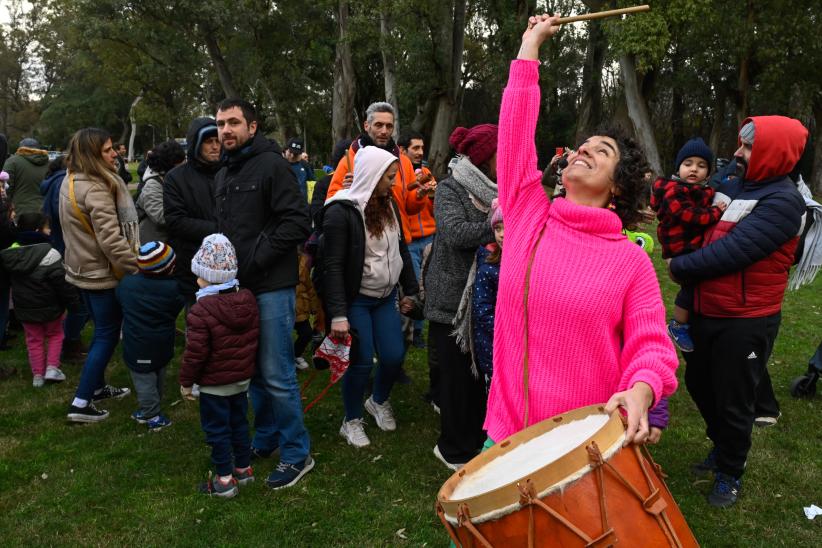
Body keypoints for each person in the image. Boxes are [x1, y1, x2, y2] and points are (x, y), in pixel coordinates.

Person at [483, 15, 679, 469]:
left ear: (619, 188)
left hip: (584, 448)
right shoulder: (528, 213)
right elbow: (514, 136)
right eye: (583, 144)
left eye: (601, 150)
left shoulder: (630, 262)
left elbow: (651, 345)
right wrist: (530, 47)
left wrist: (642, 388)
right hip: (506, 440)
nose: (583, 149)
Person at [669, 115, 808, 507]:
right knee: (699, 384)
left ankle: (730, 471)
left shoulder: (783, 202)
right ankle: (721, 445)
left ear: (772, 153)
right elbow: (692, 195)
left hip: (745, 320)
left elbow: (730, 253)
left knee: (734, 398)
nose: (736, 152)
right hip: (705, 309)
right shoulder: (732, 180)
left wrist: (678, 265)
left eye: (747, 147)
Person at [213, 99, 313, 489]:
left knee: (277, 372)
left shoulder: (273, 166)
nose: (226, 130)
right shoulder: (224, 172)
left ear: (252, 127)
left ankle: (296, 452)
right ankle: (267, 436)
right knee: (252, 370)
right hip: (235, 288)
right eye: (221, 123)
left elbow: (297, 222)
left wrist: (255, 259)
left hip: (271, 285)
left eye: (234, 122)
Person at [318, 146, 420, 447]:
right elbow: (333, 267)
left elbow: (399, 249)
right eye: (389, 177)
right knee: (360, 363)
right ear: (373, 177)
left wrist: (410, 290)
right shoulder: (341, 211)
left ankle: (377, 400)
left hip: (385, 298)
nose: (394, 183)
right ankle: (350, 420)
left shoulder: (389, 206)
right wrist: (338, 314)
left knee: (393, 355)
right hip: (357, 300)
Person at [424, 123, 499, 470]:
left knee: (478, 377)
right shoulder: (450, 189)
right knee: (456, 379)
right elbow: (455, 233)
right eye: (501, 152)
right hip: (452, 301)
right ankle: (453, 448)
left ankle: (476, 440)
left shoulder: (502, 191)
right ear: (486, 158)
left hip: (487, 299)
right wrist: (499, 225)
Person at [60, 127, 139, 423]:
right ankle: (80, 402)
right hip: (100, 274)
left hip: (81, 269)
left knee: (100, 332)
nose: (115, 154)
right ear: (93, 155)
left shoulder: (70, 181)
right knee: (107, 334)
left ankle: (97, 387)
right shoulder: (95, 188)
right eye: (107, 150)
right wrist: (136, 265)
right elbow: (111, 239)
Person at [179, 234, 260, 498]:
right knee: (239, 422)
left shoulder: (201, 311)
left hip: (214, 385)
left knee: (217, 429)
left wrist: (186, 382)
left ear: (207, 277)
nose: (197, 279)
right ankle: (244, 468)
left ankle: (224, 479)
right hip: (241, 379)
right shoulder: (247, 299)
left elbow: (195, 353)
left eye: (199, 275)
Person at [650, 138, 726, 352]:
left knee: (696, 284)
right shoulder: (675, 191)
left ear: (708, 173)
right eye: (688, 164)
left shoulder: (699, 190)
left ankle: (688, 321)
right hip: (679, 246)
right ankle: (678, 324)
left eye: (701, 166)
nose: (694, 169)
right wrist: (716, 212)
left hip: (689, 245)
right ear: (678, 168)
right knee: (692, 284)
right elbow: (689, 216)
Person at [325, 102, 433, 247]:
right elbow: (331, 202)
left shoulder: (404, 162)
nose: (384, 131)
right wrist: (346, 192)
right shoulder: (349, 161)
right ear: (366, 126)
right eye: (378, 125)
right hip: (363, 245)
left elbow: (409, 207)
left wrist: (419, 197)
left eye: (389, 126)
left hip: (399, 243)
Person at [0, 212, 80, 387]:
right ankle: (52, 367)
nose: (50, 231)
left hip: (24, 308)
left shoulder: (11, 254)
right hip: (51, 306)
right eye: (47, 227)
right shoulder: (50, 253)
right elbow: (62, 283)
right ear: (39, 230)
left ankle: (37, 376)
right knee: (55, 334)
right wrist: (73, 304)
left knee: (33, 340)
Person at [116, 241, 184, 431]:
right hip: (162, 341)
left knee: (144, 379)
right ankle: (151, 408)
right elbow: (175, 308)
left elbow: (119, 298)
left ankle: (151, 415)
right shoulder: (173, 289)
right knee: (157, 374)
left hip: (137, 343)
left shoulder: (127, 283)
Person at [163, 118, 221, 310]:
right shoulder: (175, 178)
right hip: (193, 270)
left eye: (218, 140)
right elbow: (175, 221)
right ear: (196, 144)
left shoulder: (232, 172)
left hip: (230, 268)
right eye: (208, 141)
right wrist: (220, 230)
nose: (215, 146)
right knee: (198, 329)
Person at [40, 154, 89, 362]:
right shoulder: (64, 182)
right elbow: (64, 217)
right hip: (70, 248)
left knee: (75, 300)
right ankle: (69, 343)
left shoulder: (54, 181)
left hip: (62, 245)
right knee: (79, 302)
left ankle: (67, 340)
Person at [397, 130, 437, 349]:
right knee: (411, 288)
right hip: (409, 241)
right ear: (402, 150)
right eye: (416, 148)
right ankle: (407, 332)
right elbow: (401, 207)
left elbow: (434, 208)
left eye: (422, 148)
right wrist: (416, 195)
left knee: (427, 285)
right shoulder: (398, 174)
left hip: (429, 236)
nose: (420, 152)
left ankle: (419, 331)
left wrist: (432, 194)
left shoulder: (427, 172)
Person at [136, 139, 185, 243]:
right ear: (168, 166)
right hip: (155, 245)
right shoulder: (152, 185)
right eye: (179, 166)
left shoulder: (172, 180)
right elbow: (160, 217)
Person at [3, 137, 49, 216]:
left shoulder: (12, 162)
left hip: (20, 213)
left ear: (20, 148)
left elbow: (6, 189)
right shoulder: (49, 163)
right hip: (45, 212)